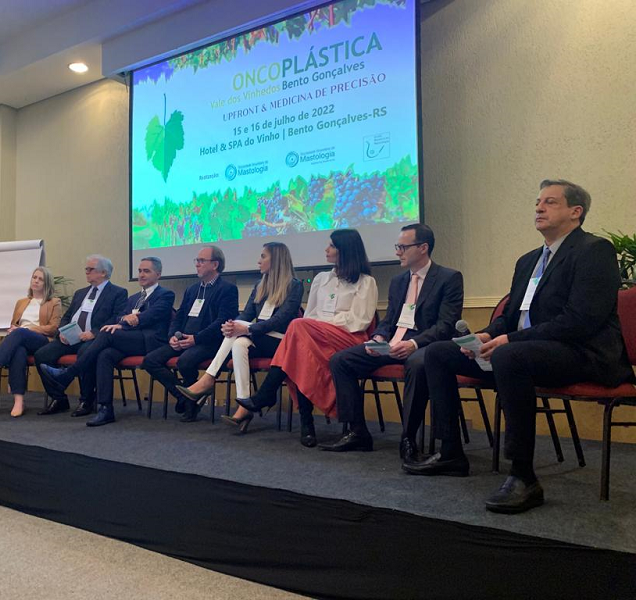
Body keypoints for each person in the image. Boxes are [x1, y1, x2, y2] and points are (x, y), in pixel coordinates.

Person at [404, 179, 634, 514]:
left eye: (550, 202)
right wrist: (486, 335)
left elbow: (580, 321)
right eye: (538, 202)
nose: (539, 208)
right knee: (439, 352)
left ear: (576, 212)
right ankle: (450, 451)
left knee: (510, 356)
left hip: (582, 353)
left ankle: (523, 475)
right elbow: (511, 317)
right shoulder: (529, 261)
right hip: (526, 352)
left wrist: (509, 340)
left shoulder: (593, 251)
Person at [322, 224, 463, 456]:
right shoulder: (399, 281)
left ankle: (408, 437)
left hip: (424, 346)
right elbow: (389, 319)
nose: (397, 252)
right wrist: (378, 337)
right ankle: (357, 432)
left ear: (423, 248)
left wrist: (413, 344)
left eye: (403, 247)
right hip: (392, 344)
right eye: (397, 246)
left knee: (417, 364)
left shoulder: (448, 278)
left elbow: (445, 325)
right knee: (340, 360)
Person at [237, 229, 378, 447]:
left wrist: (320, 325)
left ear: (345, 250)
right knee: (299, 354)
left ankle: (268, 395)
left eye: (332, 246)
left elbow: (359, 321)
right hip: (313, 337)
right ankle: (306, 424)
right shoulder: (321, 279)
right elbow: (310, 314)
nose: (326, 249)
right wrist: (315, 326)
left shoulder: (366, 282)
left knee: (297, 328)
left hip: (348, 339)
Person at [176, 242, 303, 433]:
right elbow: (246, 314)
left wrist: (246, 329)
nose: (258, 261)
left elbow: (280, 320)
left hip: (280, 341)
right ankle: (244, 405)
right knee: (239, 342)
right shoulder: (260, 285)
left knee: (240, 334)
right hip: (259, 337)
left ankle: (208, 379)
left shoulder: (294, 285)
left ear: (276, 259)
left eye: (263, 256)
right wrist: (232, 325)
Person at [39, 257, 175, 426]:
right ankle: (105, 409)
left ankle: (68, 374)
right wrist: (124, 320)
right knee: (105, 355)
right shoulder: (134, 298)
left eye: (146, 271)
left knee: (106, 333)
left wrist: (131, 319)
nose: (141, 275)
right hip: (129, 340)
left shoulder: (165, 294)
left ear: (158, 274)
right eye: (140, 271)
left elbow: (151, 315)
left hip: (149, 342)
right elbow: (120, 317)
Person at [143, 246, 239, 423]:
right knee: (150, 360)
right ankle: (186, 397)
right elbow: (179, 317)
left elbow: (223, 321)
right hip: (184, 339)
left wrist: (196, 339)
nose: (197, 264)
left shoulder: (227, 289)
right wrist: (173, 336)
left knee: (185, 361)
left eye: (202, 261)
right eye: (197, 260)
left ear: (215, 264)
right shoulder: (192, 289)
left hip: (208, 342)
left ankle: (190, 401)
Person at [34, 255, 127, 416]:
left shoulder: (117, 293)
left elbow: (116, 318)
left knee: (85, 352)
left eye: (91, 269)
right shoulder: (80, 293)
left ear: (103, 273)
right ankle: (59, 398)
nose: (87, 272)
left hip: (94, 339)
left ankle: (86, 400)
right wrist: (62, 331)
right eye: (86, 269)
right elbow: (67, 316)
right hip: (71, 338)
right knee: (42, 355)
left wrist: (94, 333)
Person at [0, 267, 62, 417]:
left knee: (20, 333)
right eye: (34, 277)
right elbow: (14, 324)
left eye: (40, 279)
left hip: (42, 341)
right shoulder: (21, 302)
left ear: (47, 283)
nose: (36, 281)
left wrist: (28, 329)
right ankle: (19, 401)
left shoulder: (54, 302)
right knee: (18, 351)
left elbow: (53, 328)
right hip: (22, 339)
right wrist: (15, 330)